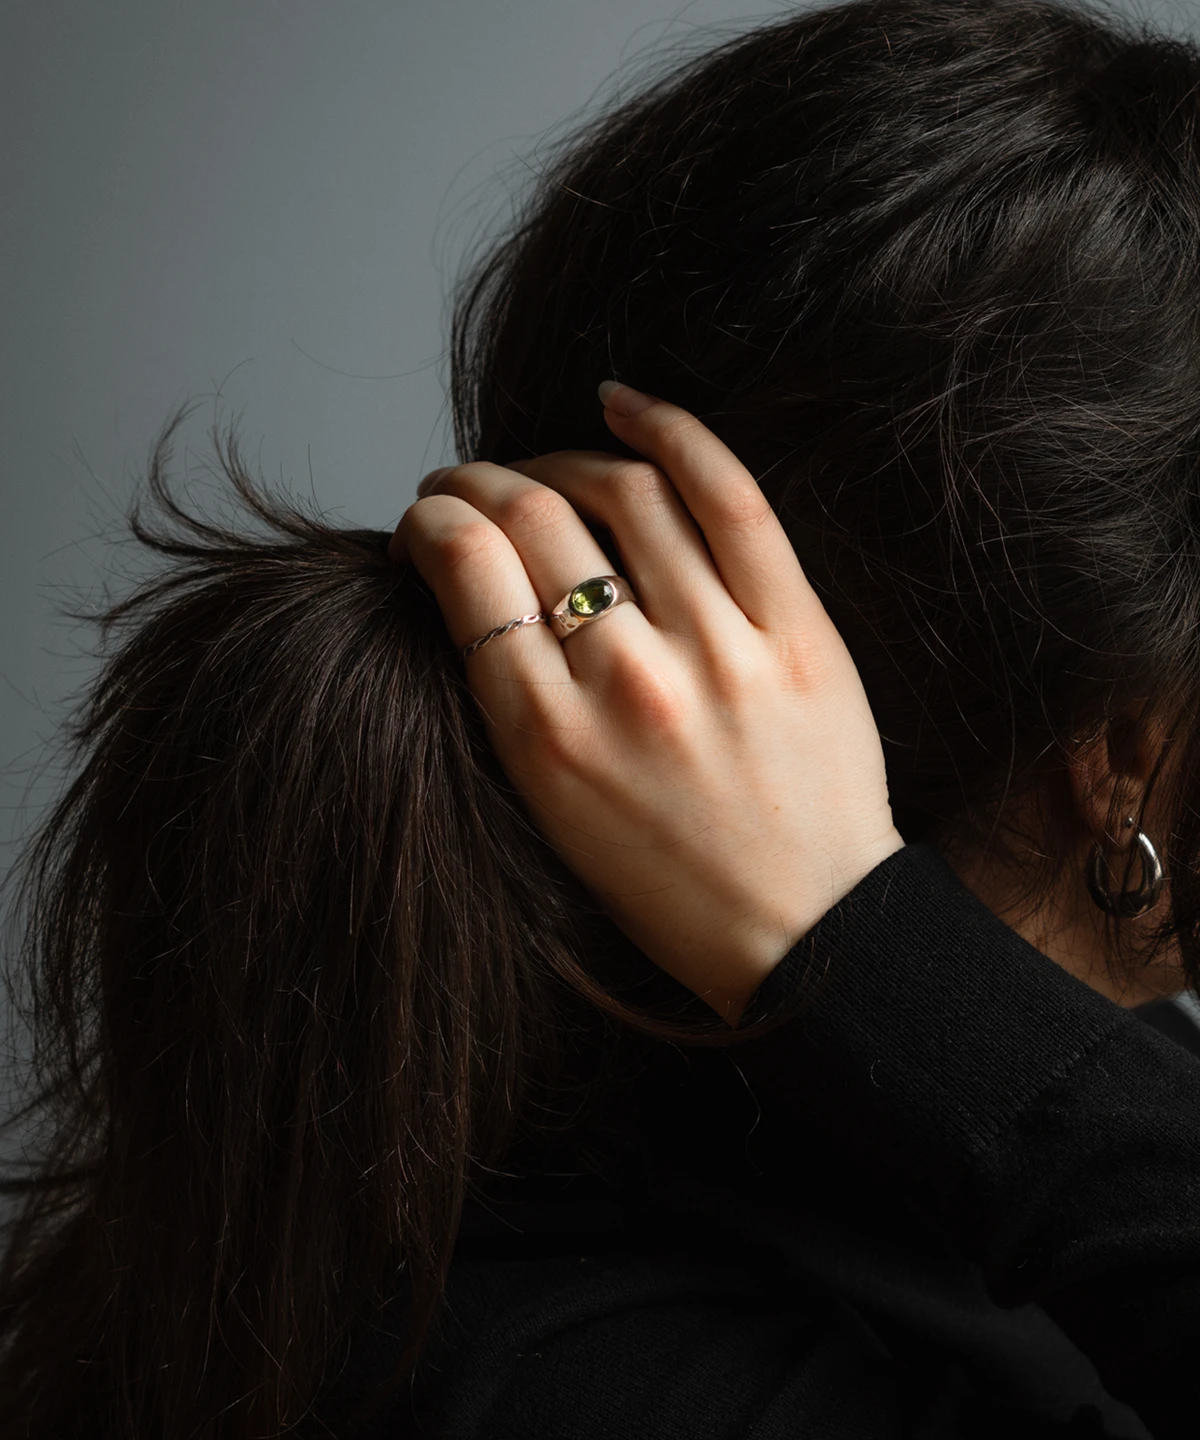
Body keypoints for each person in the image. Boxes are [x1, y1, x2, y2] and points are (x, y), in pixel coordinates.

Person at [4, 0, 1200, 1434]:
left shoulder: (1075, 1110)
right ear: (1118, 753)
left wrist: (864, 945)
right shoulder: (582, 1375)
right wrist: (861, 938)